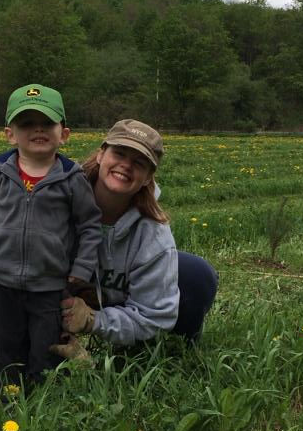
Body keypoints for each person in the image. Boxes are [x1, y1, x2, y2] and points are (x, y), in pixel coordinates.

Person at [0, 83, 102, 395]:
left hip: (50, 287)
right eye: (26, 123)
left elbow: (90, 226)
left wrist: (81, 268)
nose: (37, 129)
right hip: (2, 284)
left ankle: (44, 405)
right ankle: (2, 404)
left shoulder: (71, 177)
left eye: (47, 123)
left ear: (63, 134)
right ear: (10, 134)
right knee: (3, 349)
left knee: (48, 351)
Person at [55, 119, 218, 356]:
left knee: (195, 274)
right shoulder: (57, 197)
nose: (126, 165)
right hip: (58, 298)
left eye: (139, 162)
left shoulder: (153, 233)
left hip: (119, 302)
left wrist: (93, 320)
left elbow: (154, 317)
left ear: (149, 177)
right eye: (119, 153)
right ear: (101, 154)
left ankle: (173, 353)